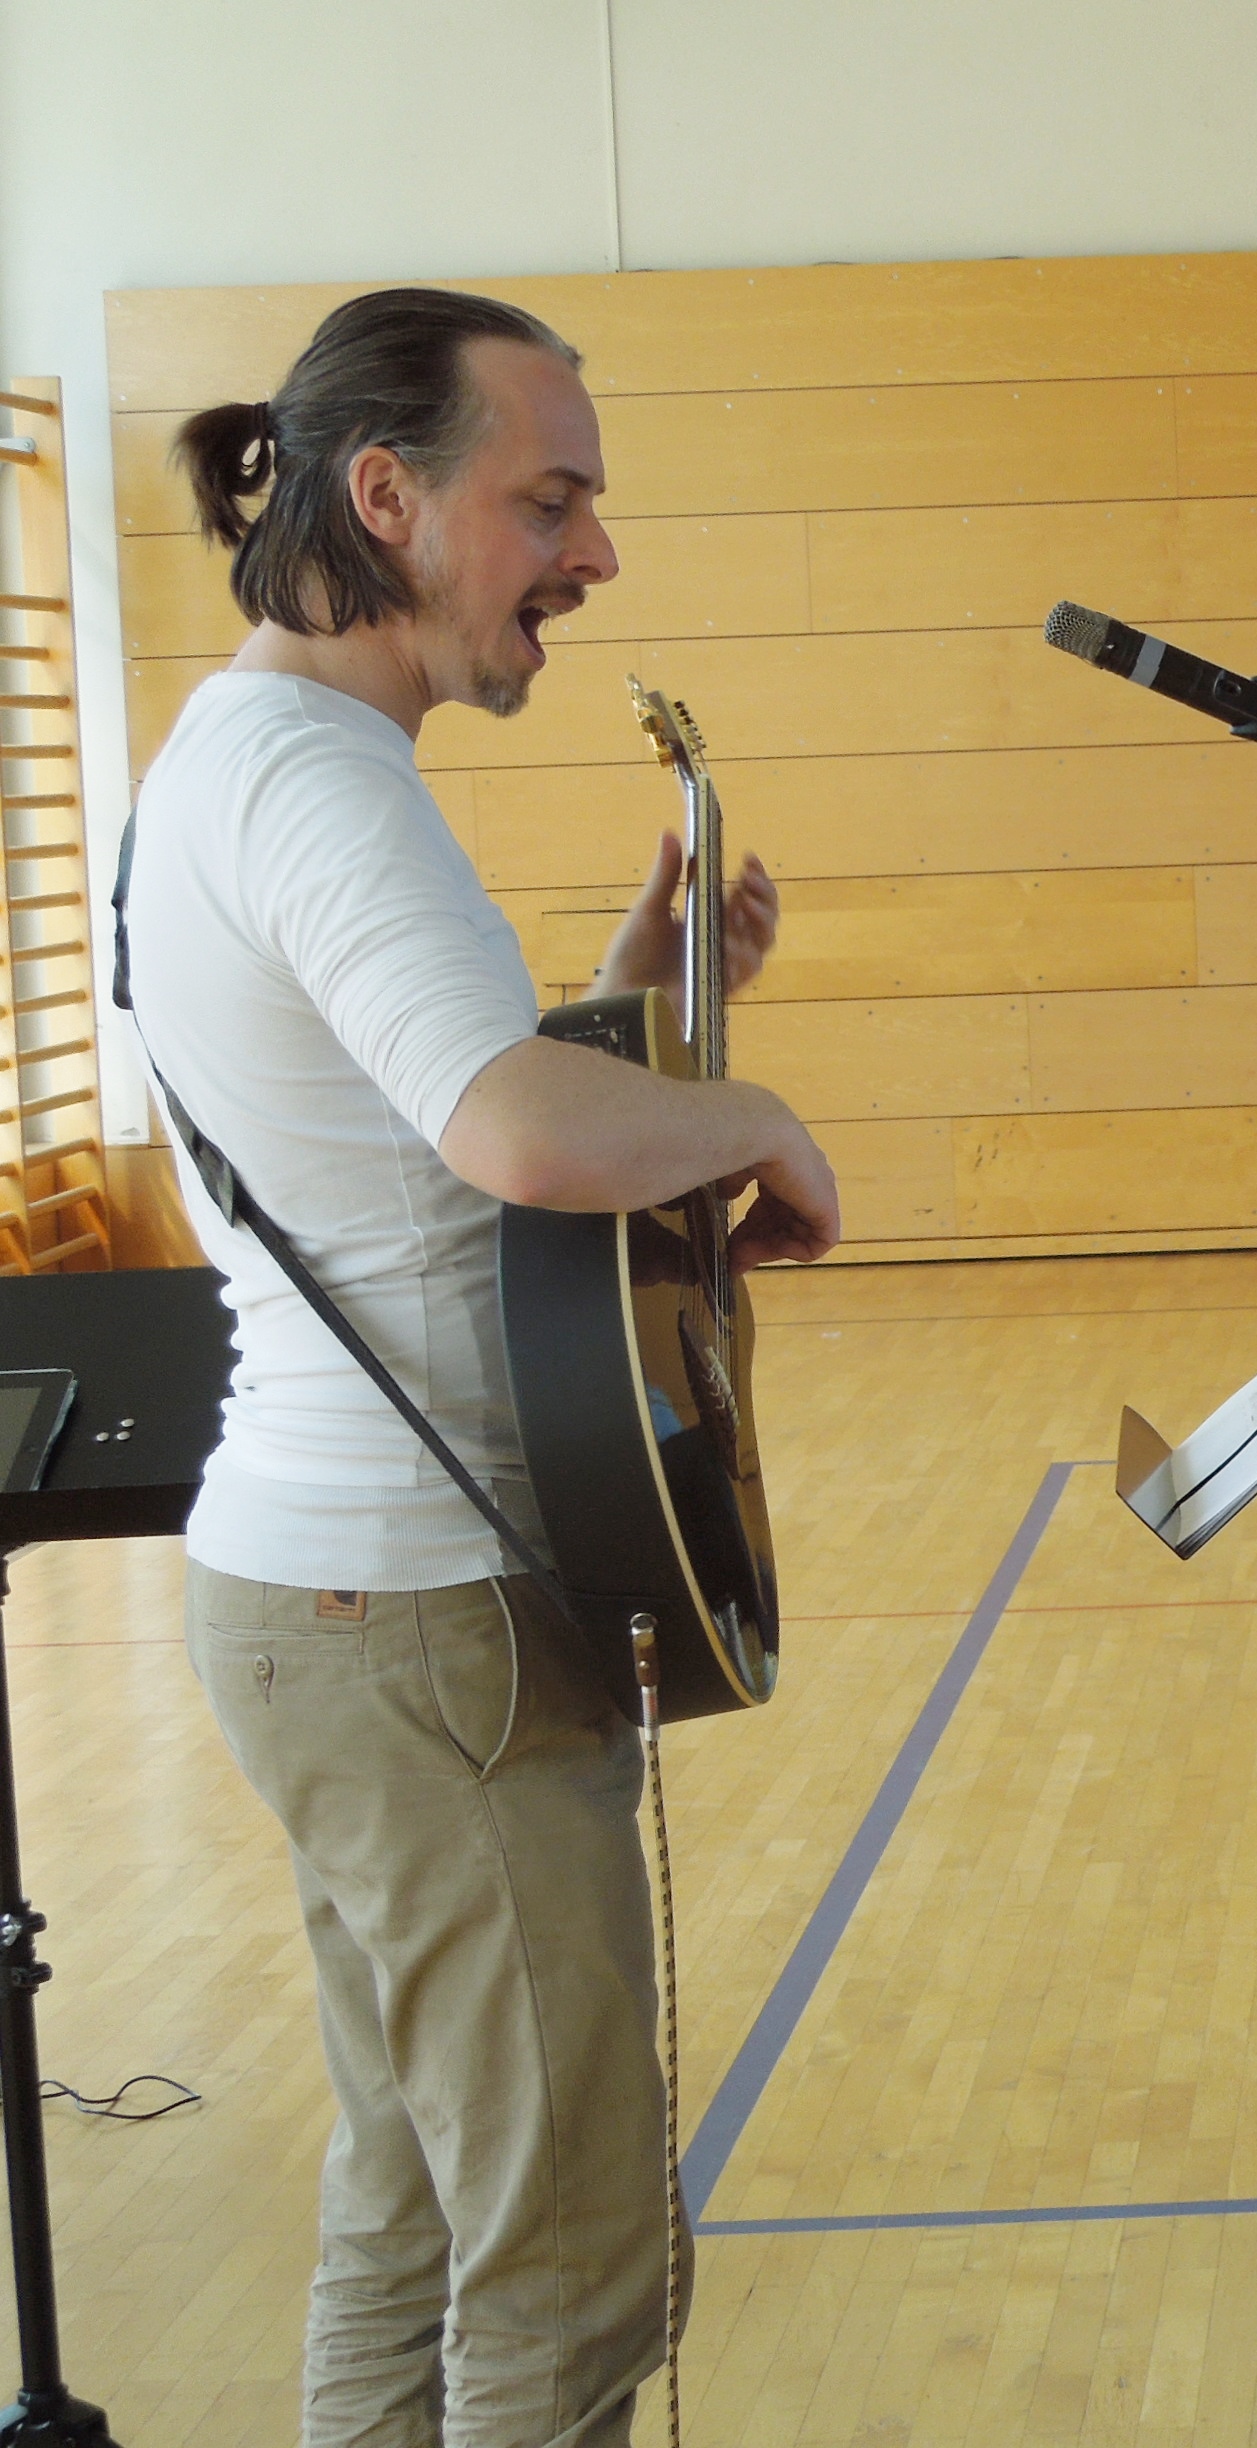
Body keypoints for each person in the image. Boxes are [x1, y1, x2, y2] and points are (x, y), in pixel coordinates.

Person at [119, 289, 843, 2443]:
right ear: (386, 497)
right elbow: (512, 1138)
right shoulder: (322, 786)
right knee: (565, 2267)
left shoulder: (236, 754)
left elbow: (407, 1119)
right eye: (550, 501)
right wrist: (757, 1118)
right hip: (421, 1620)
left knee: (421, 2211)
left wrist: (628, 988)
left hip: (330, 1601)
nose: (592, 553)